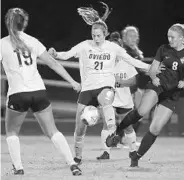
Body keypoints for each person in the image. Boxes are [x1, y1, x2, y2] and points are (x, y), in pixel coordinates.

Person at [48, 2, 151, 165]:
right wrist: (55, 54)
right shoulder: (85, 46)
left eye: (99, 35)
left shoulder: (113, 47)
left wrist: (151, 67)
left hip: (105, 87)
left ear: (105, 34)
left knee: (107, 98)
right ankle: (78, 156)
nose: (96, 38)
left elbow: (132, 61)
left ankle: (112, 133)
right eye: (93, 35)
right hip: (88, 89)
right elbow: (66, 55)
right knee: (80, 127)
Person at [0, 8, 82, 176]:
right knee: (53, 131)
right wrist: (72, 81)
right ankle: (72, 164)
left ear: (7, 22)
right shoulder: (33, 41)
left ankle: (19, 168)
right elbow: (53, 64)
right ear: (25, 23)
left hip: (18, 94)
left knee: (12, 132)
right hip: (38, 92)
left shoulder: (3, 43)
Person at [106, 23, 184, 167]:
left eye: (173, 37)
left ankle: (136, 157)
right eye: (168, 36)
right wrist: (154, 76)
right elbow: (153, 68)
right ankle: (118, 133)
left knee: (155, 128)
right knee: (142, 111)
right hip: (157, 86)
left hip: (172, 94)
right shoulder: (163, 49)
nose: (170, 39)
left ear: (182, 38)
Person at [96, 31, 139, 160]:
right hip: (109, 100)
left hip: (124, 100)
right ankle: (106, 152)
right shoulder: (103, 63)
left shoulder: (126, 62)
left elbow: (133, 81)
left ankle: (133, 151)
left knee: (128, 127)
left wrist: (120, 82)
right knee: (107, 125)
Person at [121, 26, 151, 133]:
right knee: (124, 115)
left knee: (141, 113)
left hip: (134, 88)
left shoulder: (136, 51)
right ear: (124, 38)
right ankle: (120, 139)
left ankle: (126, 139)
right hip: (123, 88)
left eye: (135, 36)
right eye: (130, 36)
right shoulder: (124, 51)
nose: (133, 38)